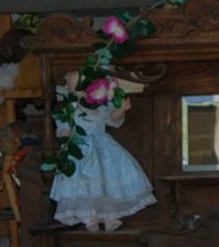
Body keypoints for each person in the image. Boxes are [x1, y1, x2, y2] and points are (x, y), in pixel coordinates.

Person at [49, 74, 156, 232]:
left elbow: (111, 118)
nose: (80, 92)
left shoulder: (98, 107)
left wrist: (121, 109)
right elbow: (63, 130)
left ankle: (110, 216)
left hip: (102, 147)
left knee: (106, 180)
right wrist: (65, 139)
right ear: (68, 90)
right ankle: (89, 217)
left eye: (83, 88)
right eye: (75, 88)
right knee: (84, 184)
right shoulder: (68, 111)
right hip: (80, 149)